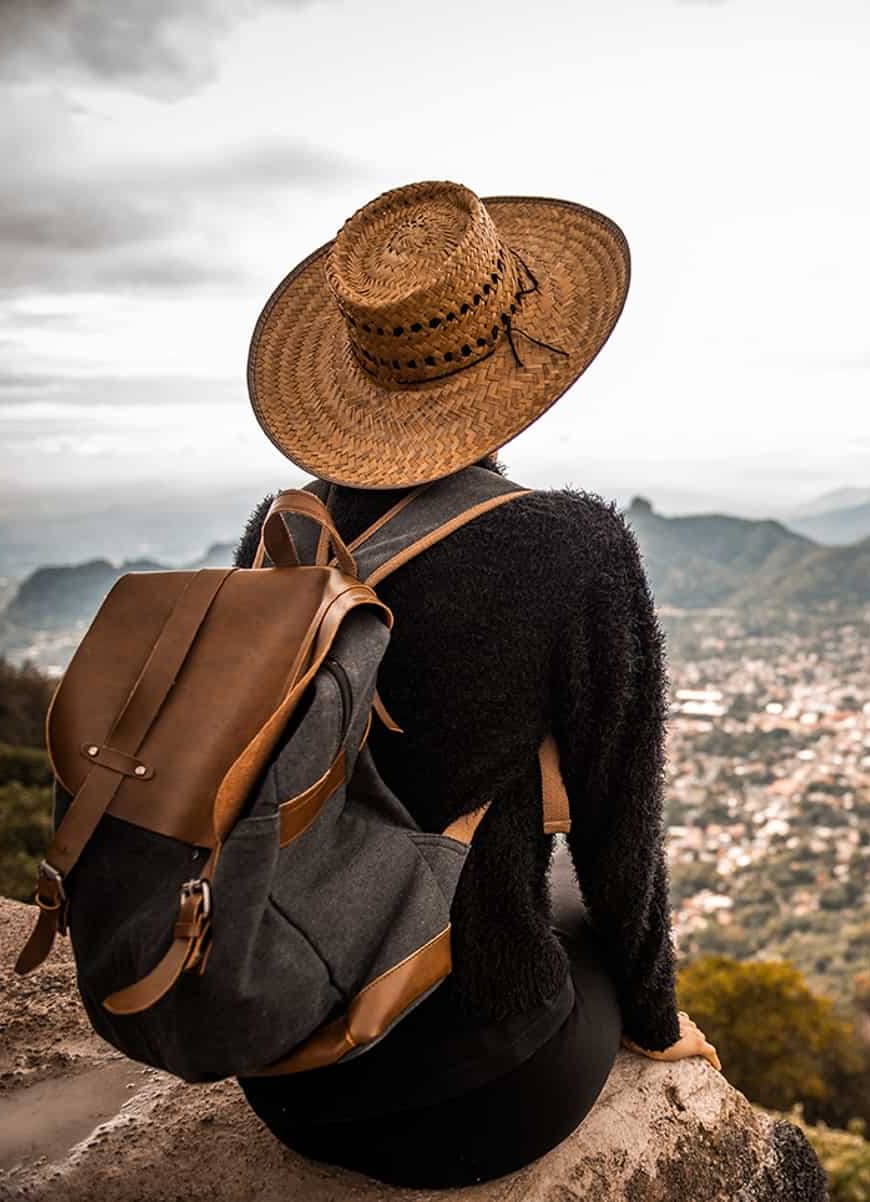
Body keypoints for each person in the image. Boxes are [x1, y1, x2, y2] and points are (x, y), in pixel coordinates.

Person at [228, 180, 721, 1188]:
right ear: (525, 353)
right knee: (572, 897)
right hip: (480, 1091)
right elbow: (619, 835)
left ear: (353, 373)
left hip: (283, 1067)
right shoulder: (572, 547)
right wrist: (659, 1020)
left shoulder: (283, 539)